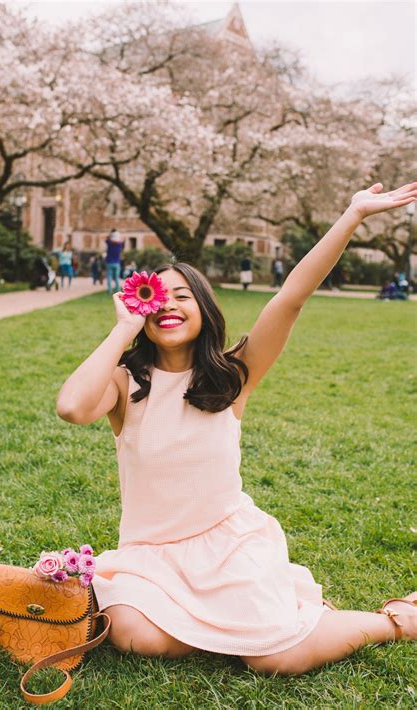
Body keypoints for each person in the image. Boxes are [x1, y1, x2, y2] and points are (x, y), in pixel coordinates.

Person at [56, 181, 417, 676]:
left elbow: (291, 296)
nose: (168, 305)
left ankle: (395, 621)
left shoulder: (234, 375)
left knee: (277, 658)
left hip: (228, 547)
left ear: (204, 308)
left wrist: (352, 214)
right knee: (133, 634)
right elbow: (72, 408)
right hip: (152, 557)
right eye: (157, 297)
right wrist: (123, 329)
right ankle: (240, 621)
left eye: (183, 295)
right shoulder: (125, 382)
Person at [105, 228, 124, 294]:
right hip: (117, 263)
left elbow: (107, 238)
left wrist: (110, 235)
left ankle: (109, 291)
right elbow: (121, 240)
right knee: (116, 277)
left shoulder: (109, 243)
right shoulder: (119, 244)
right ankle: (118, 290)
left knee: (109, 277)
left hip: (109, 262)